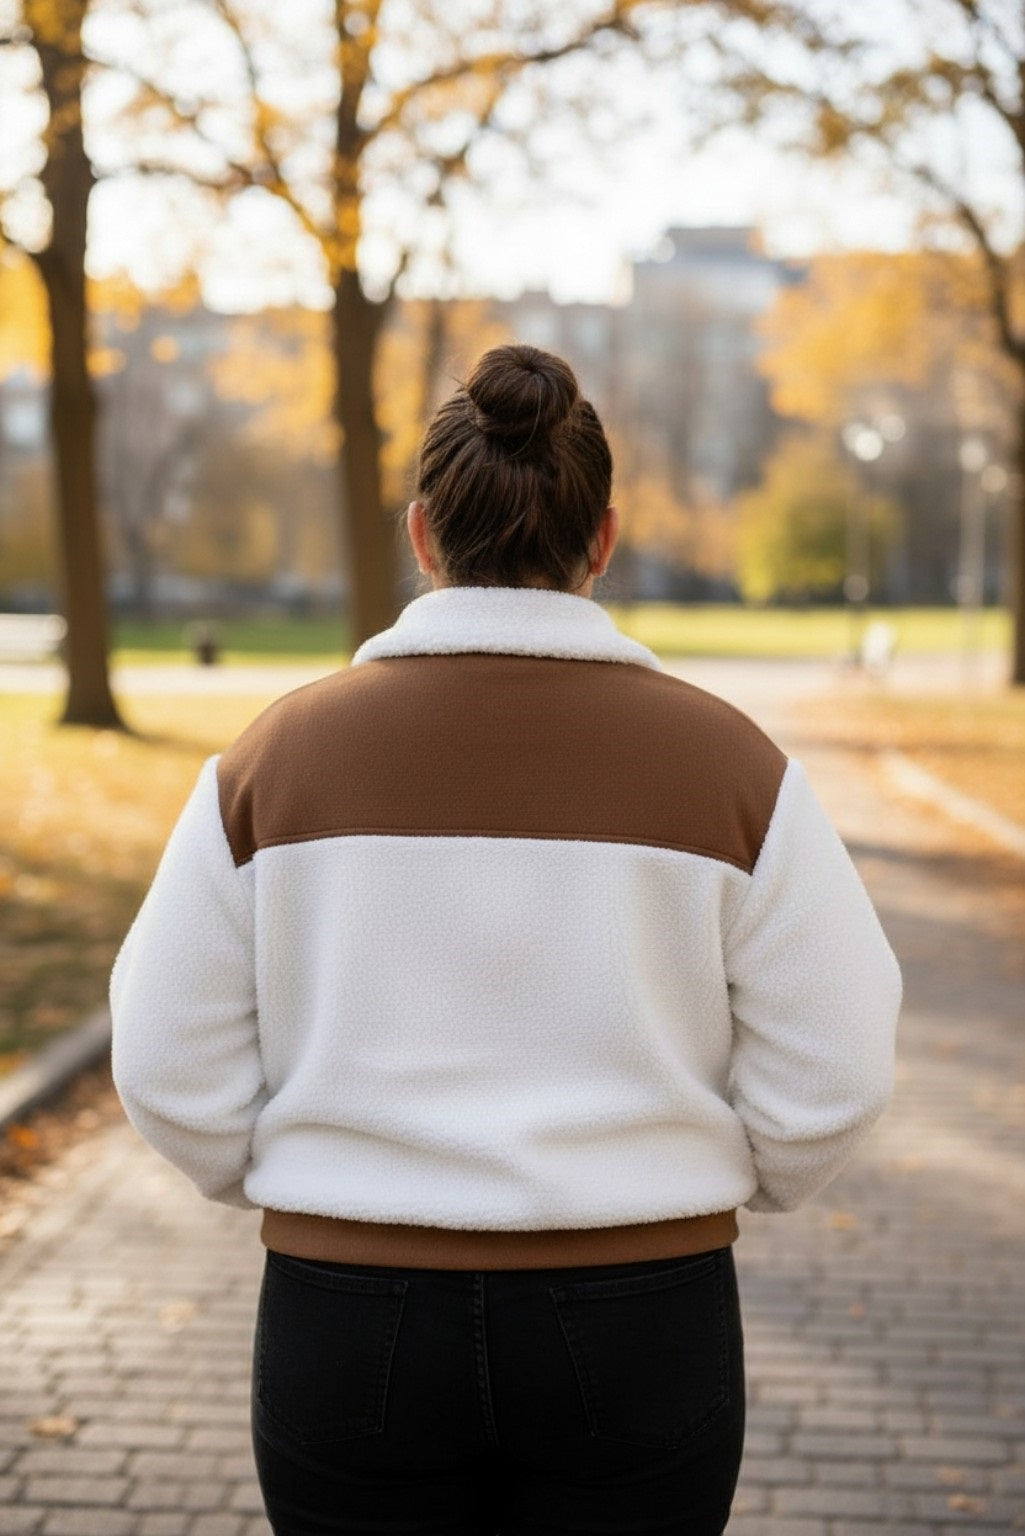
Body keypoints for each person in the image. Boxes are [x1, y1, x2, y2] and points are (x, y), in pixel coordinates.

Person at [110, 343, 902, 1536]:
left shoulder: (274, 759)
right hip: (642, 1312)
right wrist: (701, 1179)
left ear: (423, 535)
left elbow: (164, 1053)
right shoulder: (731, 764)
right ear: (604, 538)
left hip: (348, 1317)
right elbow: (834, 1063)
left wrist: (297, 1178)